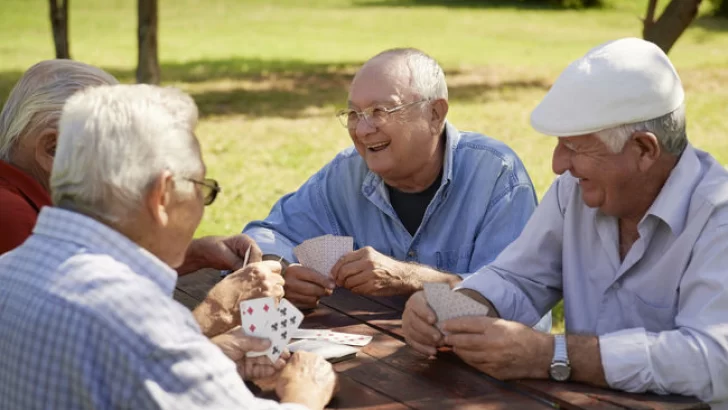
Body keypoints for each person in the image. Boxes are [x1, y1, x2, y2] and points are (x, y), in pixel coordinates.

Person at [401, 38, 728, 407]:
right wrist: (449, 307)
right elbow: (518, 278)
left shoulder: (719, 216)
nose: (558, 164)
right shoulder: (573, 192)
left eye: (576, 147)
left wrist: (554, 354)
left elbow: (714, 359)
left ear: (644, 150)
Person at [0, 84, 337, 409]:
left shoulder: (10, 268)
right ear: (162, 195)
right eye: (202, 187)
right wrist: (304, 392)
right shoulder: (139, 318)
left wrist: (208, 360)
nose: (202, 205)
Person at [244, 48, 550, 331]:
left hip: (469, 376)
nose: (363, 130)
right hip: (372, 366)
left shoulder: (496, 174)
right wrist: (283, 271)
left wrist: (409, 279)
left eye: (381, 110)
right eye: (354, 114)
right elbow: (266, 235)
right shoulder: (346, 173)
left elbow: (516, 306)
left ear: (435, 114)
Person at [0, 59, 278, 338]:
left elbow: (96, 277)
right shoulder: (13, 218)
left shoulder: (34, 206)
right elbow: (100, 349)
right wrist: (219, 310)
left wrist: (190, 255)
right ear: (53, 149)